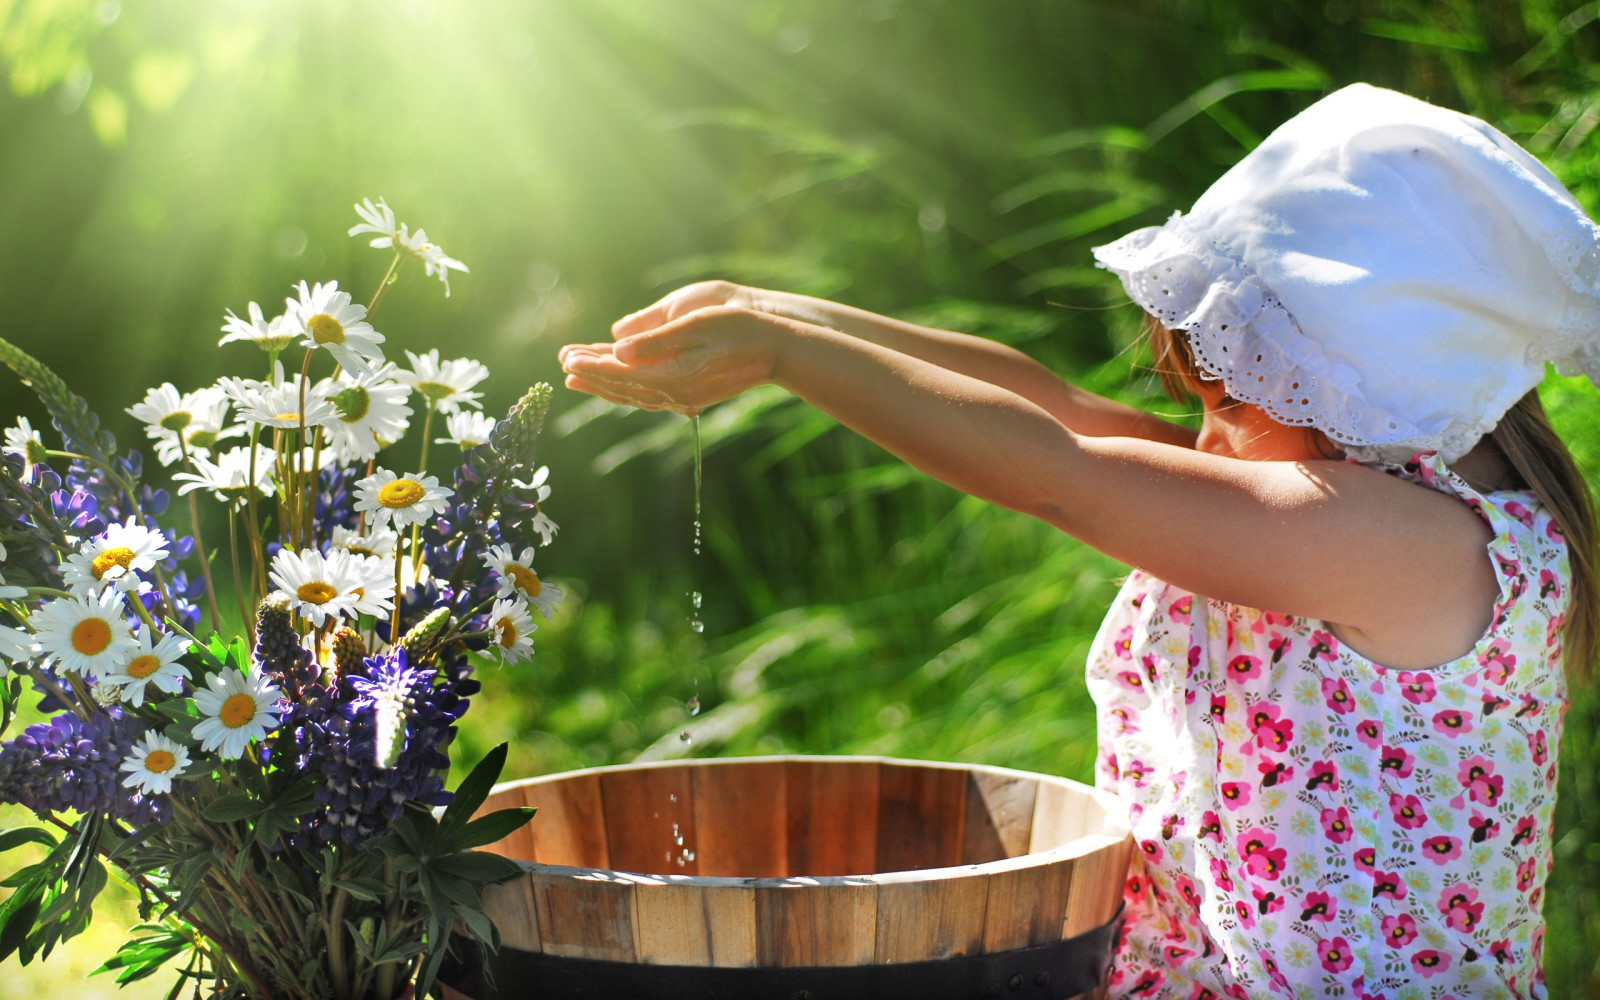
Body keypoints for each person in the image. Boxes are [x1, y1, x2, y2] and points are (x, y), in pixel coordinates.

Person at [559, 83, 1590, 999]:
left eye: (1234, 390)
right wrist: (772, 310)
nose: (1206, 431)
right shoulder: (1343, 493)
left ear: (1353, 381)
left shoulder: (1401, 541)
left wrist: (790, 355)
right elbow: (1050, 402)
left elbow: (1061, 471)